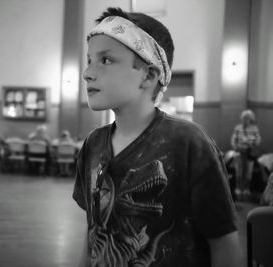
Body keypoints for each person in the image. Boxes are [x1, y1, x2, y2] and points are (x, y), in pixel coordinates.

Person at [72, 7, 242, 267]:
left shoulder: (188, 143)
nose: (87, 73)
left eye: (105, 60)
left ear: (149, 76)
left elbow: (224, 245)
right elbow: (93, 235)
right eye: (89, 60)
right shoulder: (93, 143)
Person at [231, 109, 261, 199]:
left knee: (248, 172)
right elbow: (233, 139)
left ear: (251, 118)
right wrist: (235, 147)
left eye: (247, 118)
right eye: (244, 118)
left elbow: (258, 140)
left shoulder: (254, 128)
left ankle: (246, 189)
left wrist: (249, 142)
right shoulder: (238, 128)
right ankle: (239, 188)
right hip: (240, 152)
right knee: (239, 171)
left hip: (249, 153)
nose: (246, 119)